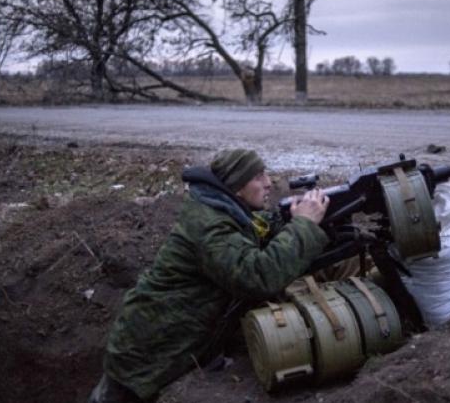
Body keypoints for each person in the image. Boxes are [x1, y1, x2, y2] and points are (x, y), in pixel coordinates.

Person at [89, 149, 330, 403]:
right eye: (258, 177)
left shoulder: (220, 209)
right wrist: (303, 225)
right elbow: (257, 277)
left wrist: (289, 219)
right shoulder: (210, 226)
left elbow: (253, 231)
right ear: (237, 187)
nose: (269, 182)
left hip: (168, 338)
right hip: (149, 350)